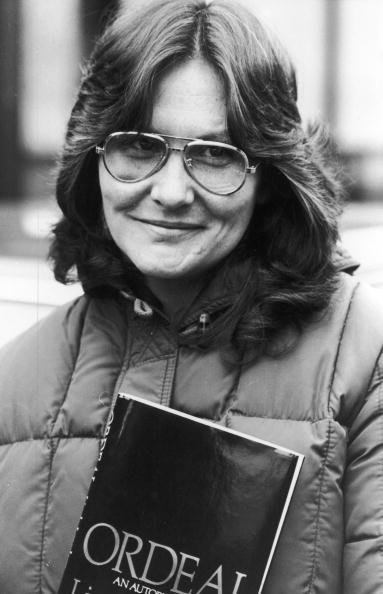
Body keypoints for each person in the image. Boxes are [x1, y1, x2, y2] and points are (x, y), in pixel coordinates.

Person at [0, 0, 382, 592]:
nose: (172, 191)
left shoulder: (364, 357)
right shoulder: (16, 381)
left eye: (214, 154)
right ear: (93, 159)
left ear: (269, 175)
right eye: (139, 146)